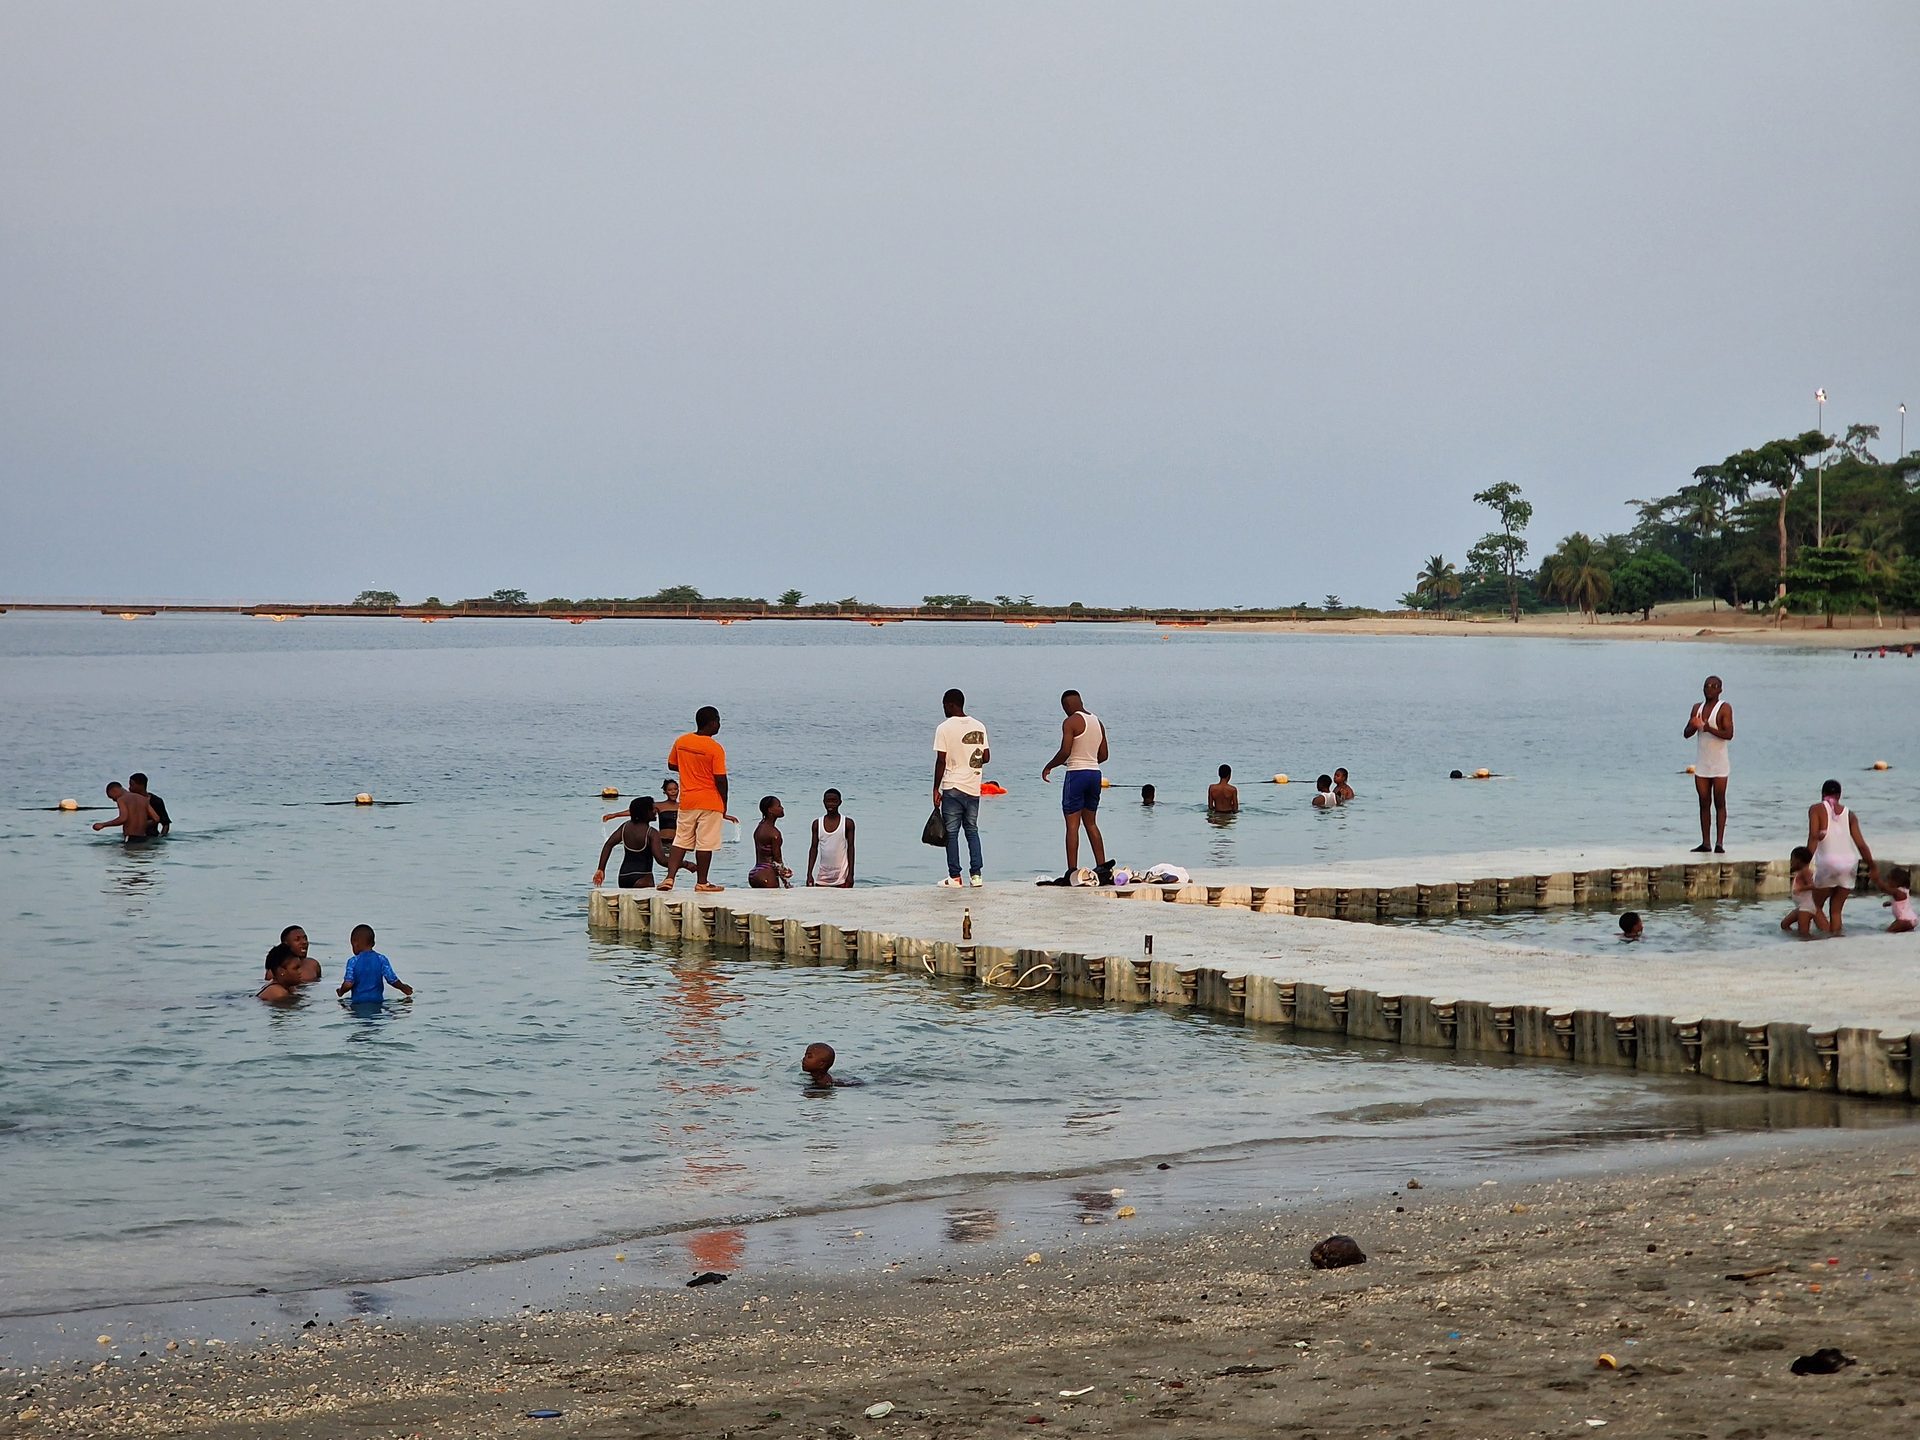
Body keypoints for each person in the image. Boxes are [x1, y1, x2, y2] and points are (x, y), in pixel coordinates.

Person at [660, 707, 734, 894]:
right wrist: (724, 802)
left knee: (681, 840)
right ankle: (702, 882)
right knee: (705, 843)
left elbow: (672, 764)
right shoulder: (715, 748)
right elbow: (720, 779)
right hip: (710, 801)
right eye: (718, 720)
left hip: (687, 800)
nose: (719, 724)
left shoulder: (682, 741)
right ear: (712, 723)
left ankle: (669, 878)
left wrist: (689, 768)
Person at [1040, 690, 1110, 885]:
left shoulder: (1070, 722)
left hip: (1076, 775)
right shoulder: (1098, 722)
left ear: (1066, 706)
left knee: (1072, 825)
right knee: (1091, 823)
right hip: (1095, 774)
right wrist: (1086, 757)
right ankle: (1102, 867)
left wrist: (1050, 766)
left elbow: (1065, 751)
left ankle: (1072, 871)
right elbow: (1103, 755)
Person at [933, 688, 990, 888]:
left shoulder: (944, 728)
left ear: (950, 704)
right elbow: (986, 757)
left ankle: (955, 877)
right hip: (973, 787)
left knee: (952, 832)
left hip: (953, 786)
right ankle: (977, 876)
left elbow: (941, 761)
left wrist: (935, 789)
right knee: (972, 830)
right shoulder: (979, 726)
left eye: (944, 706)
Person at [1807, 779, 1878, 936]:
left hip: (1828, 864)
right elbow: (1861, 845)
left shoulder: (1816, 809)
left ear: (1822, 794)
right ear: (1839, 795)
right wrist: (1872, 867)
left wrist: (1805, 864)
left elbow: (1813, 837)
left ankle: (1826, 936)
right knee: (1836, 911)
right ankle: (1837, 939)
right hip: (1849, 864)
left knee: (1812, 905)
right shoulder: (1850, 814)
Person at [1683, 675, 1733, 853]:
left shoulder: (1724, 708)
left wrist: (1707, 727)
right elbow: (1686, 733)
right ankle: (1706, 843)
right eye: (1706, 686)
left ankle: (1719, 843)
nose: (1709, 689)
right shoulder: (1697, 708)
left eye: (1713, 686)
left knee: (1719, 802)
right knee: (1704, 803)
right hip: (1703, 764)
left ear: (1720, 690)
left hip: (1719, 764)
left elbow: (1729, 734)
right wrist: (1694, 725)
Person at [594, 797, 670, 889]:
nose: (655, 811)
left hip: (623, 877)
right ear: (645, 812)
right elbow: (661, 860)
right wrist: (683, 864)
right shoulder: (651, 832)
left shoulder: (625, 827)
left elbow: (608, 845)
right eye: (652, 809)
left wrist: (601, 869)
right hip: (643, 877)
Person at [336, 924, 414, 1004]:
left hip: (358, 1004)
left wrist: (341, 991)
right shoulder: (381, 959)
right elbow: (392, 980)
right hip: (377, 1002)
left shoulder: (353, 961)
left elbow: (348, 984)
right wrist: (404, 988)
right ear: (373, 943)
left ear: (355, 943)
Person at [806, 789, 855, 887]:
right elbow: (813, 848)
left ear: (840, 802)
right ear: (823, 802)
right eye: (828, 801)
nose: (831, 804)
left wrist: (850, 874)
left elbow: (851, 848)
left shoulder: (847, 823)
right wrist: (809, 874)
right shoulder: (817, 824)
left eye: (834, 801)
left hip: (842, 874)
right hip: (823, 874)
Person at [1780, 846, 1827, 939]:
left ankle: (1813, 944)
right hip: (1804, 906)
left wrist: (1800, 889)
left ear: (1798, 861)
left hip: (1806, 908)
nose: (1791, 862)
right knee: (1784, 925)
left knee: (1804, 935)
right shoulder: (1802, 872)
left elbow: (1814, 885)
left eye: (1792, 859)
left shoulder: (1805, 872)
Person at [92, 782, 160, 844]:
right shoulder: (143, 799)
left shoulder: (122, 799)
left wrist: (103, 825)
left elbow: (123, 818)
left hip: (130, 837)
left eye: (112, 797)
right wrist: (143, 824)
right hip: (143, 837)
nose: (113, 800)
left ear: (114, 791)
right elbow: (156, 818)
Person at [748, 796, 791, 888]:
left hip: (755, 872)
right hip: (767, 874)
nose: (782, 808)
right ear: (770, 810)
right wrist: (786, 881)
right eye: (779, 806)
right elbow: (777, 860)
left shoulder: (760, 827)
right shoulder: (774, 833)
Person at [1880, 866, 1916, 934]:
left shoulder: (1897, 892)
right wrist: (1890, 903)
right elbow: (1901, 903)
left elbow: (1884, 889)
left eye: (1889, 880)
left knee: (1888, 932)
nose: (1887, 882)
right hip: (1909, 919)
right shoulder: (1903, 891)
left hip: (1904, 920)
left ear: (1896, 881)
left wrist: (1876, 879)